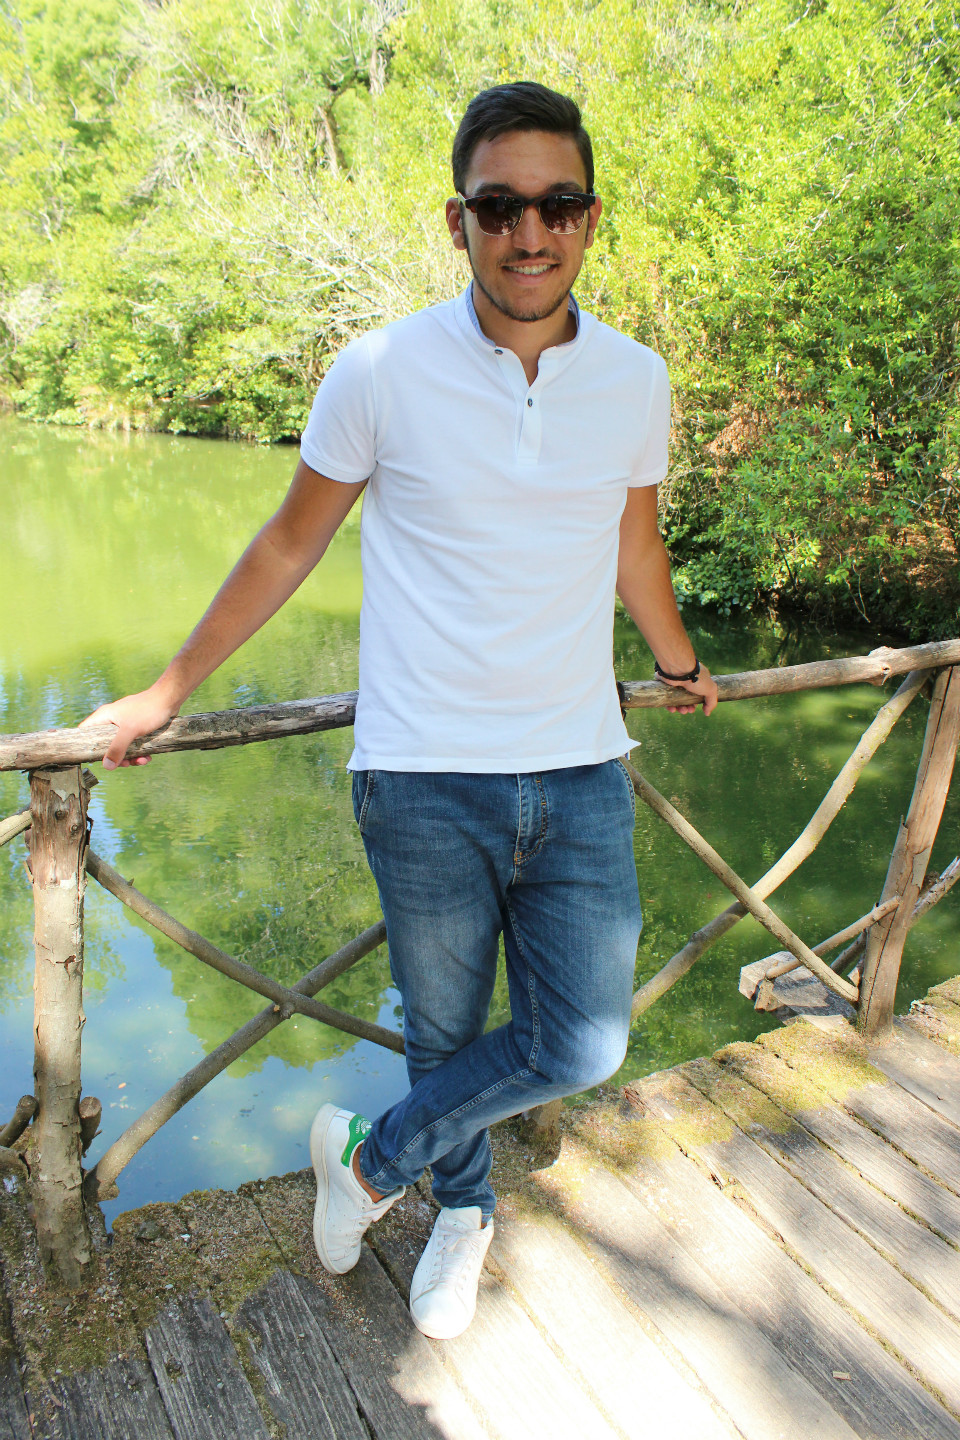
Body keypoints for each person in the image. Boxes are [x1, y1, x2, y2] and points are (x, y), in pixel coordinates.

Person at [83, 81, 718, 1341]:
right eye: (499, 206)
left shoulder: (636, 378)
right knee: (443, 1031)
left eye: (557, 204)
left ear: (590, 219)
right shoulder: (380, 369)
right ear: (457, 220)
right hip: (422, 774)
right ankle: (463, 1214)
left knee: (585, 1043)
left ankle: (370, 1161)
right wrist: (168, 689)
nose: (528, 232)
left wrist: (680, 660)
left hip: (581, 766)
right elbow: (289, 544)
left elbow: (634, 545)